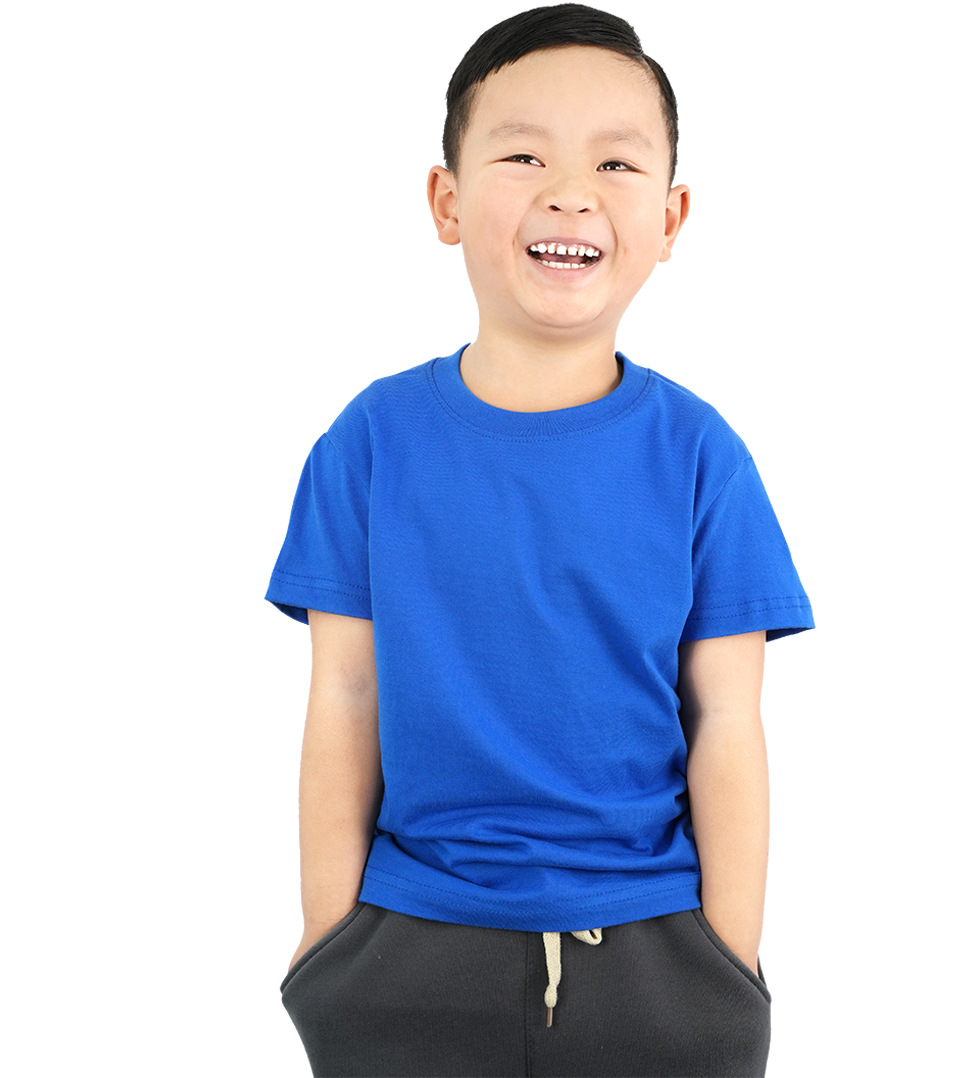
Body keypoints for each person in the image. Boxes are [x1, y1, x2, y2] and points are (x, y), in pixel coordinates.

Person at [266, 5, 813, 1075]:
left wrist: (729, 965)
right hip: (407, 944)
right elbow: (345, 693)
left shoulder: (702, 455)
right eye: (523, 155)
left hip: (655, 954)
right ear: (446, 199)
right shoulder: (369, 442)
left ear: (671, 217)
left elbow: (727, 717)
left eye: (616, 162)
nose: (570, 191)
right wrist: (329, 944)